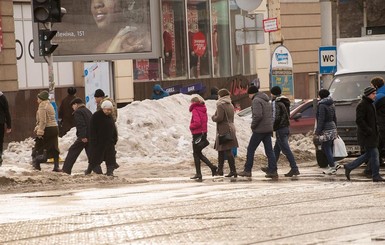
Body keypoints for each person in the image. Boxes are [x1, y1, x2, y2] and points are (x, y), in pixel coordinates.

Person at [344, 87, 385, 182]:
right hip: (367, 136)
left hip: (373, 135)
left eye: (375, 93)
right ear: (368, 94)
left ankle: (349, 166)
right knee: (375, 155)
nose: (375, 95)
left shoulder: (371, 104)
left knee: (368, 155)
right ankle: (375, 175)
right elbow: (359, 120)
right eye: (373, 94)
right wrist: (368, 130)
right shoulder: (362, 105)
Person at [238, 86, 277, 178]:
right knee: (269, 151)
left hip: (260, 129)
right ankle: (273, 170)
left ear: (252, 93)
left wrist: (253, 125)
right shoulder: (266, 100)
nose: (248, 96)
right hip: (267, 129)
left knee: (251, 149)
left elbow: (258, 115)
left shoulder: (256, 100)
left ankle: (247, 170)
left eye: (249, 94)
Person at [61, 98, 102, 175]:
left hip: (84, 136)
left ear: (76, 104)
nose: (72, 108)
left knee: (73, 151)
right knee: (91, 155)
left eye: (72, 106)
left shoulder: (78, 112)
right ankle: (98, 171)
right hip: (91, 136)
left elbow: (81, 125)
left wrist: (82, 136)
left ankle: (66, 170)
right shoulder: (87, 111)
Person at [270, 86, 300, 177]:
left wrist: (272, 127)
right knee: (276, 150)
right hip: (285, 127)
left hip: (280, 128)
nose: (270, 95)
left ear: (273, 94)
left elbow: (276, 116)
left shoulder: (276, 102)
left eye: (271, 93)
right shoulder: (284, 101)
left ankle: (294, 168)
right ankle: (271, 168)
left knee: (286, 150)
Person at [85, 100, 118, 176]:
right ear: (103, 108)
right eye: (107, 109)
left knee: (110, 158)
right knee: (95, 159)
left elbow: (113, 129)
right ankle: (96, 173)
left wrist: (114, 139)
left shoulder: (110, 117)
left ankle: (110, 172)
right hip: (98, 142)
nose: (108, 111)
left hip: (109, 142)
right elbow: (92, 130)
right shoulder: (96, 116)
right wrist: (93, 141)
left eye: (110, 110)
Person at [212, 88, 238, 178]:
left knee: (226, 150)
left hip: (223, 129)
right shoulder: (230, 104)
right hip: (231, 127)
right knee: (222, 149)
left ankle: (231, 170)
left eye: (218, 95)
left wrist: (213, 117)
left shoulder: (220, 105)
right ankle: (222, 170)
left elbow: (219, 118)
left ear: (221, 96)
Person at [189, 95, 217, 180]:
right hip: (203, 133)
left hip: (197, 134)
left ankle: (200, 173)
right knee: (198, 153)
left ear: (193, 103)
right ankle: (210, 168)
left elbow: (197, 122)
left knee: (196, 153)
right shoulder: (203, 109)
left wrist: (191, 126)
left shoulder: (195, 109)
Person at [32, 91, 60, 172]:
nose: (37, 99)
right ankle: (56, 166)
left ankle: (37, 162)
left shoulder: (42, 106)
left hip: (48, 129)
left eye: (38, 98)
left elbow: (43, 121)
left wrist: (40, 132)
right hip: (55, 128)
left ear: (41, 99)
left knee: (39, 146)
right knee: (54, 147)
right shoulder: (49, 104)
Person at [315, 89, 340, 175]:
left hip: (326, 128)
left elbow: (321, 119)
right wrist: (336, 128)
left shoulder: (322, 105)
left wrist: (318, 130)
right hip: (332, 127)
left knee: (326, 147)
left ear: (320, 96)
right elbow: (335, 117)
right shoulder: (331, 103)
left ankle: (333, 166)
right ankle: (333, 163)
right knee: (327, 146)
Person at [370, 77, 385, 168]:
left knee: (376, 146)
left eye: (372, 85)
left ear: (376, 86)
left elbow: (371, 105)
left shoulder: (379, 96)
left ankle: (371, 168)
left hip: (381, 124)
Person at [0, 91, 11, 166]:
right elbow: (7, 111)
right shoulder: (2, 97)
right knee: (0, 140)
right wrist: (9, 125)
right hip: (0, 122)